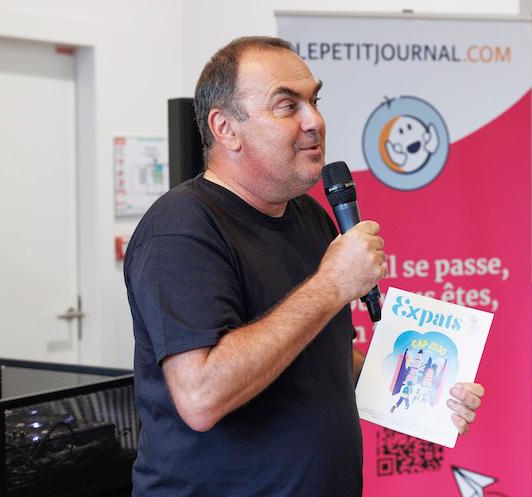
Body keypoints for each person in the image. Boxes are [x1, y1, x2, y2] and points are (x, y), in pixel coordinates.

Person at [124, 36, 485, 497]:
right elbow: (201, 396)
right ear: (225, 128)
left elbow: (322, 357)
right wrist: (331, 285)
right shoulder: (181, 228)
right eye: (286, 106)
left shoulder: (311, 217)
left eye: (314, 101)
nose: (314, 121)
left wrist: (422, 386)